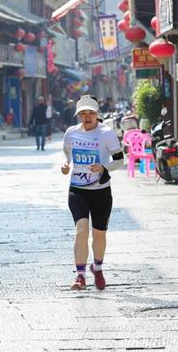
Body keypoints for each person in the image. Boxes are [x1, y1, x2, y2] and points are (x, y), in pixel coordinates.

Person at [61, 96, 124, 291]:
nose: (87, 117)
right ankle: (80, 275)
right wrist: (66, 165)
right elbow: (68, 154)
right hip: (77, 190)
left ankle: (97, 268)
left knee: (99, 234)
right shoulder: (71, 133)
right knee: (81, 230)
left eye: (91, 113)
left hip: (100, 191)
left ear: (97, 114)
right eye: (83, 114)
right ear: (78, 115)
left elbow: (120, 160)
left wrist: (104, 168)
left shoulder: (106, 133)